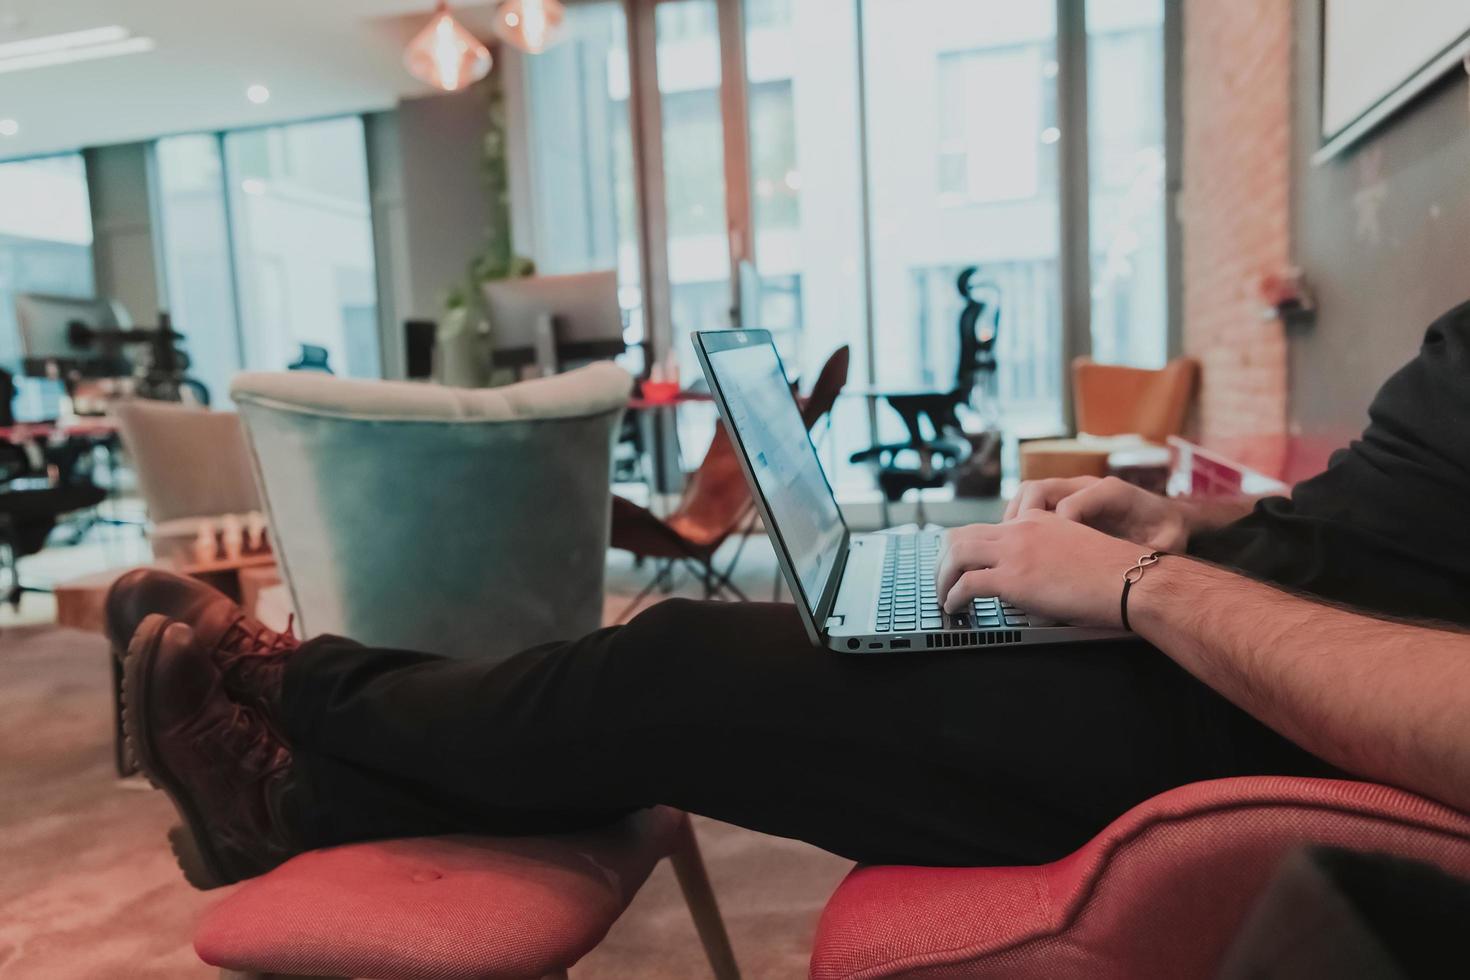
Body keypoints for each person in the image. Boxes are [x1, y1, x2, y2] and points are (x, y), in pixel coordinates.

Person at [111, 302, 1470, 890]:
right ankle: (301, 799)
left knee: (669, 669)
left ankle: (300, 701)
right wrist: (1199, 524)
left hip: (1286, 720)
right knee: (670, 686)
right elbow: (1388, 527)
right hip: (1232, 625)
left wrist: (1144, 591)